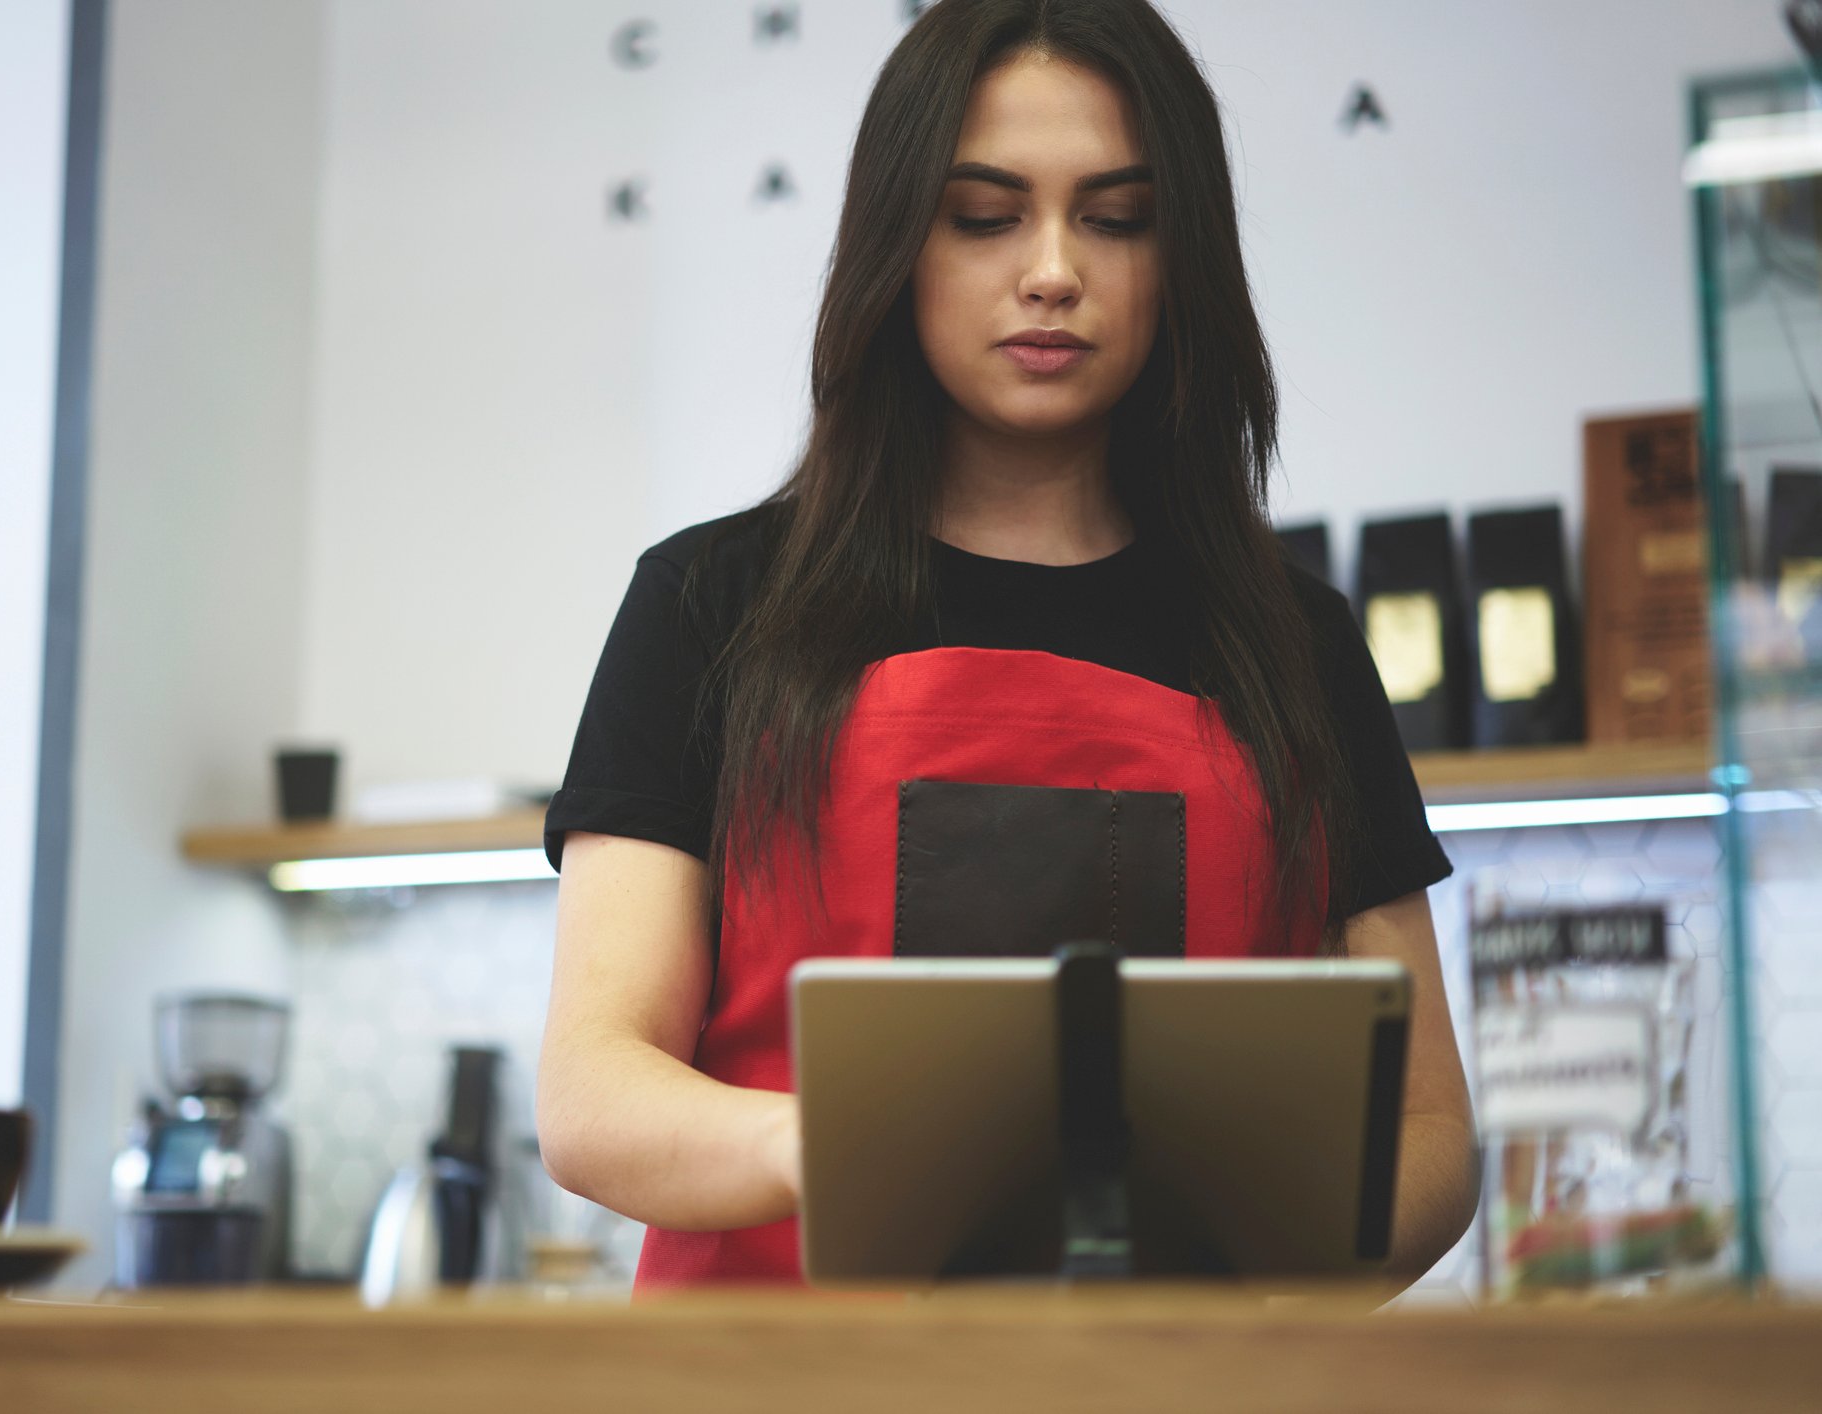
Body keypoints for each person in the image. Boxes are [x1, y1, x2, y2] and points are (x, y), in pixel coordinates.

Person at [535, 0, 1478, 1295]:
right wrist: (829, 1149)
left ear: (1180, 256)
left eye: (1116, 216)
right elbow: (591, 1086)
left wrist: (1255, 1281)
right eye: (985, 215)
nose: (1051, 270)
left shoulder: (1293, 642)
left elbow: (1429, 1130)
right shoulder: (710, 601)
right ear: (895, 246)